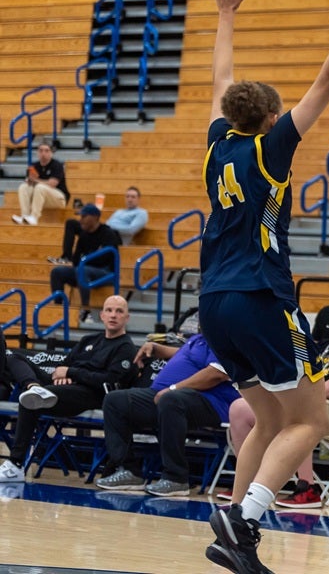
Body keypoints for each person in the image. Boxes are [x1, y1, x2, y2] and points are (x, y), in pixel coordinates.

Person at [195, 0, 329, 572]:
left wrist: (225, 15)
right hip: (260, 295)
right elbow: (328, 79)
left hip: (212, 302)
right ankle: (246, 515)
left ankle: (234, 530)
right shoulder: (269, 147)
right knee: (312, 418)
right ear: (273, 117)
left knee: (273, 418)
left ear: (231, 118)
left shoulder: (216, 145)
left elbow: (219, 82)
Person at [226, 296, 329, 508]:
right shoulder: (322, 346)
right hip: (319, 406)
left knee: (299, 412)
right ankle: (248, 482)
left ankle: (308, 487)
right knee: (239, 409)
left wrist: (298, 396)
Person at [0, 295, 136, 483]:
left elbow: (110, 381)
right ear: (102, 315)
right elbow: (62, 366)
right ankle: (34, 385)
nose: (113, 315)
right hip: (62, 386)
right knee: (13, 358)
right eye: (109, 310)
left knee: (29, 400)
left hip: (89, 394)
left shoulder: (126, 348)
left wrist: (71, 372)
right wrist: (63, 374)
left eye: (119, 311)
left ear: (126, 318)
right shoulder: (89, 339)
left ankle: (15, 464)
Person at [95, 333, 240, 497]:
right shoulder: (199, 339)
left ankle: (176, 478)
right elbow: (181, 354)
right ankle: (128, 471)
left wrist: (173, 388)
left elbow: (216, 373)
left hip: (211, 403)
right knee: (115, 401)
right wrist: (156, 348)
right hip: (169, 397)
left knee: (171, 400)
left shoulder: (225, 339)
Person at [48, 203, 122, 323]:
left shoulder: (108, 233)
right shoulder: (83, 236)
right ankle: (58, 308)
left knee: (83, 270)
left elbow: (106, 259)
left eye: (84, 217)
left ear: (95, 217)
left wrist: (86, 259)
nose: (80, 220)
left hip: (106, 272)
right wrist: (87, 259)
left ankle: (86, 311)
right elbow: (76, 260)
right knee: (57, 272)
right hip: (85, 271)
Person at [12, 141, 70, 226]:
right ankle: (25, 215)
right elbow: (29, 182)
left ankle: (34, 217)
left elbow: (52, 184)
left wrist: (35, 180)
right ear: (37, 153)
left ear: (51, 153)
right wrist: (28, 181)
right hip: (41, 198)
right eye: (41, 150)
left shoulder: (57, 165)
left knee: (40, 187)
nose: (43, 153)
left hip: (59, 198)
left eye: (46, 151)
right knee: (23, 187)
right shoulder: (33, 166)